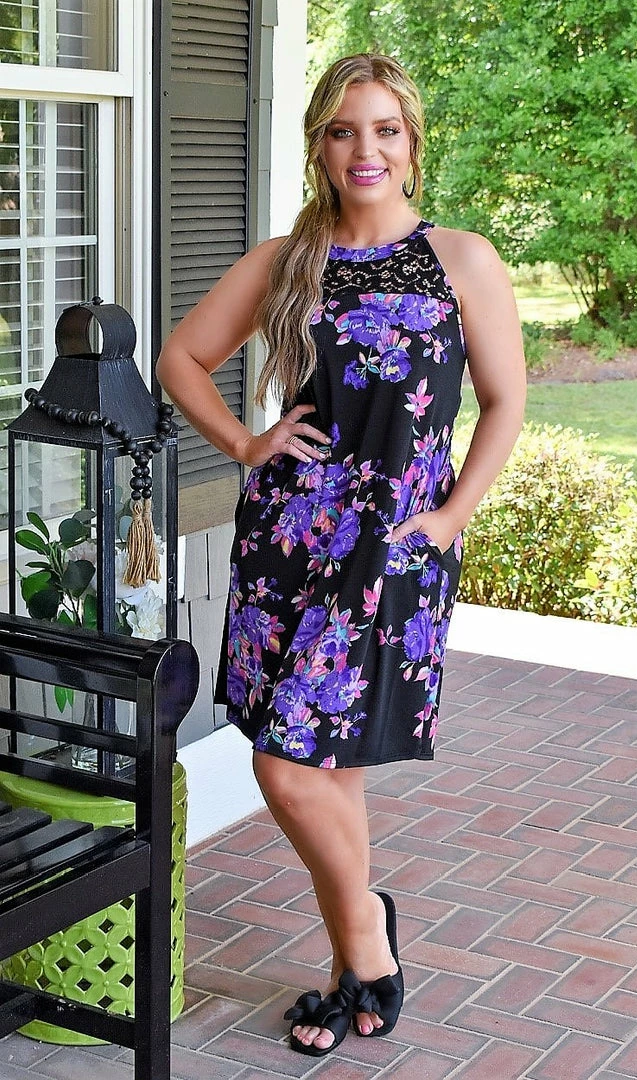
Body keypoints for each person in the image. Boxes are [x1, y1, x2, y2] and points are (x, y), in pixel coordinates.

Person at [156, 53, 526, 1058]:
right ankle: (357, 949)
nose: (365, 149)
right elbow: (181, 358)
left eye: (384, 129)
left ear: (411, 143)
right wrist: (245, 444)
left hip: (393, 545)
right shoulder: (289, 260)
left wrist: (447, 520)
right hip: (287, 539)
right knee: (320, 764)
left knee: (287, 763)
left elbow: (505, 402)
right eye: (343, 130)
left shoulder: (461, 259)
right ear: (318, 145)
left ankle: (363, 936)